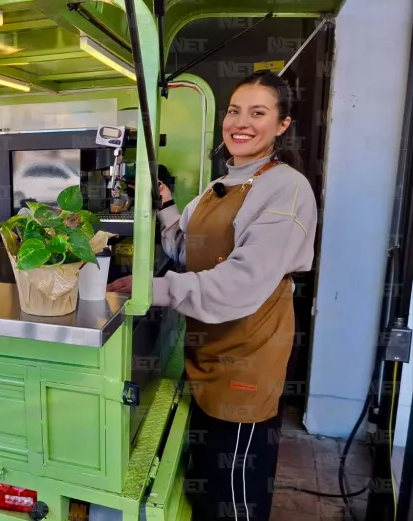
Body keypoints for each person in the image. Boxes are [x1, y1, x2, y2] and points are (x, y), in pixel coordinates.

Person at [107, 70, 318, 521]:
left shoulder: (286, 188)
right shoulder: (220, 185)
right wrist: (164, 204)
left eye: (258, 113)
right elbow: (184, 249)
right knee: (206, 488)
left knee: (234, 498)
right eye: (234, 111)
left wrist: (155, 289)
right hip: (208, 350)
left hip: (246, 358)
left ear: (281, 125)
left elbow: (241, 284)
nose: (240, 123)